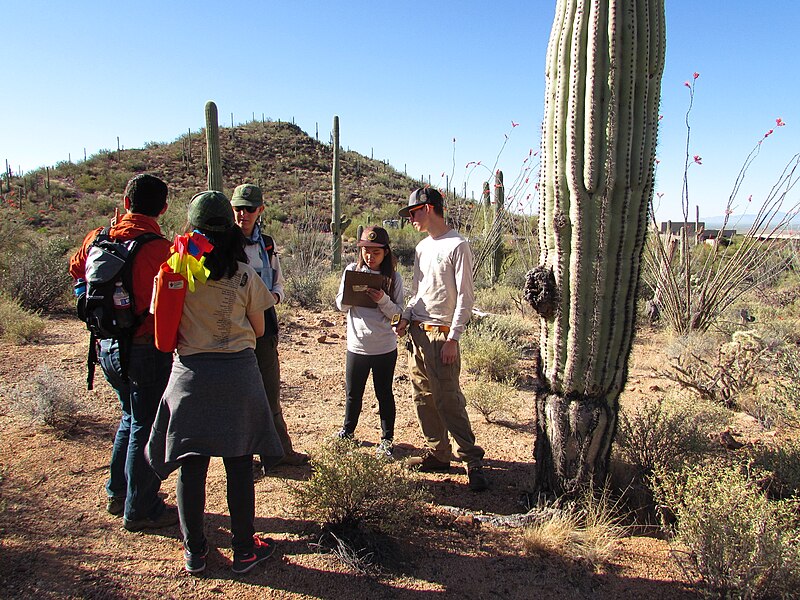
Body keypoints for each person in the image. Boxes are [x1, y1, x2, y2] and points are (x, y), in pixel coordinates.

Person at [146, 191, 284, 575]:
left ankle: (195, 551)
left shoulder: (174, 270)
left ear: (193, 230)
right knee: (239, 463)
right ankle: (243, 550)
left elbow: (162, 321)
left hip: (190, 376)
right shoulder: (244, 275)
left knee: (192, 466)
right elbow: (259, 329)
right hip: (238, 375)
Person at [68, 173, 178, 531]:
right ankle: (139, 508)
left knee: (130, 418)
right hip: (145, 348)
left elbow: (76, 269)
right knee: (144, 425)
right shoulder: (160, 250)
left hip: (105, 346)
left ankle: (118, 492)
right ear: (162, 208)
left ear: (126, 202)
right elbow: (163, 302)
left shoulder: (99, 237)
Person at [394, 187, 489, 492]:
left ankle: (471, 460)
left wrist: (454, 338)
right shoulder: (422, 248)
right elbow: (418, 291)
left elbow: (465, 296)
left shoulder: (457, 245)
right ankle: (438, 453)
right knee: (422, 397)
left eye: (414, 212)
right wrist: (407, 315)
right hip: (418, 333)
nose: (411, 219)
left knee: (448, 398)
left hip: (441, 335)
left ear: (430, 208)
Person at [230, 183, 308, 472]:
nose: (243, 214)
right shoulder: (222, 244)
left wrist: (273, 296)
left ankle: (278, 453)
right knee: (240, 393)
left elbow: (278, 280)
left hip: (265, 324)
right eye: (238, 208)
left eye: (249, 209)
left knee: (269, 389)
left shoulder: (268, 244)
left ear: (260, 210)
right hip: (235, 327)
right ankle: (242, 459)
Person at [335, 226, 404, 457]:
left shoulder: (394, 278)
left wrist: (383, 300)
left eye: (376, 252)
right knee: (353, 393)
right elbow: (340, 305)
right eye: (366, 250)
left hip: (384, 347)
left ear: (385, 253)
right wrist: (351, 295)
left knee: (384, 393)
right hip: (356, 346)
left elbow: (398, 315)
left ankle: (387, 439)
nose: (370, 256)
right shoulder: (351, 271)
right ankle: (348, 432)